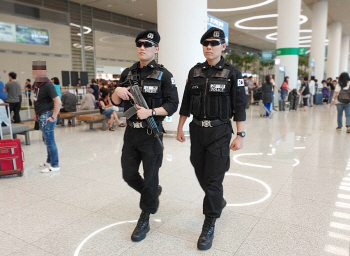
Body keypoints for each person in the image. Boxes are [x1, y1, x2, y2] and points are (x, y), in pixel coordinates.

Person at [177, 27, 247, 250]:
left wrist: (240, 134)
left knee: (214, 178)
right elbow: (186, 102)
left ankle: (210, 221)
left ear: (223, 46)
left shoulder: (232, 73)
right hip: (197, 130)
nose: (209, 47)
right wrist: (180, 127)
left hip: (220, 131)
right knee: (200, 171)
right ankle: (218, 200)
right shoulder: (195, 71)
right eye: (205, 43)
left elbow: (240, 105)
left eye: (214, 43)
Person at [111, 29, 179, 242]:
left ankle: (145, 216)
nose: (142, 48)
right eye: (139, 44)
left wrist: (150, 112)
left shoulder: (164, 75)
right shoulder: (128, 73)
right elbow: (116, 102)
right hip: (131, 133)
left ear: (156, 49)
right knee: (128, 174)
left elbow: (172, 104)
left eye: (148, 45)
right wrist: (116, 92)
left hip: (152, 134)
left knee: (150, 177)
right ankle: (151, 193)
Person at [32, 61, 61, 173]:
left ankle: (55, 165)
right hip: (40, 115)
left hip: (47, 115)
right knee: (46, 140)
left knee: (49, 140)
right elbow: (36, 99)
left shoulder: (48, 85)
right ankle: (49, 160)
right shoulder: (36, 84)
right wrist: (35, 113)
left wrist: (53, 116)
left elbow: (58, 102)